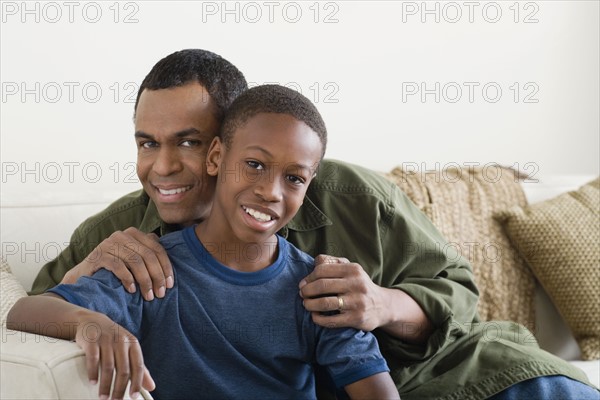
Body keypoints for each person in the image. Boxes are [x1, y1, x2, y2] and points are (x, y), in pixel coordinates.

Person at [28, 49, 598, 399]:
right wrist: (87, 293)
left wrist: (382, 304)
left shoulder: (352, 197)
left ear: (225, 143)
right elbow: (29, 308)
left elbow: (461, 296)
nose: (164, 167)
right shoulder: (128, 230)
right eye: (147, 143)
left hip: (466, 376)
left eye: (189, 142)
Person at [9, 84, 400, 399]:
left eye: (294, 178)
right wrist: (90, 322)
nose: (271, 192)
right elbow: (25, 312)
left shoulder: (317, 288)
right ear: (216, 158)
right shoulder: (151, 273)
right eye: (254, 165)